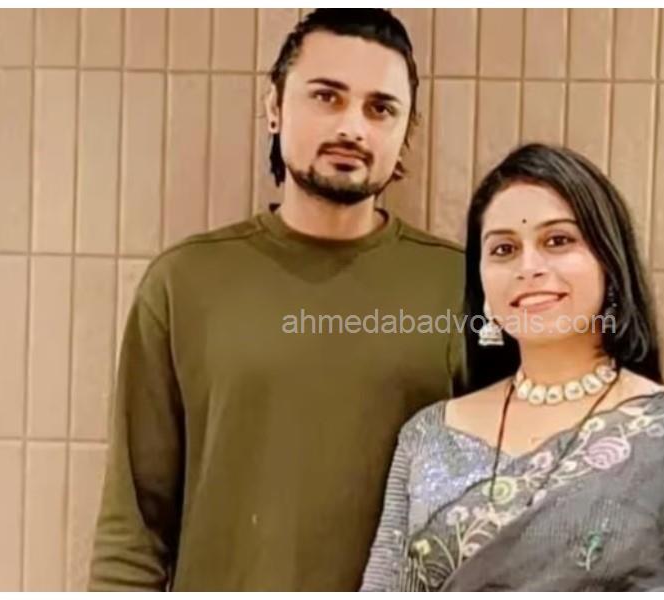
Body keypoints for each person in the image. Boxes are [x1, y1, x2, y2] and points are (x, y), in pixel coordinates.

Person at [89, 9, 465, 591]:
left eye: (380, 109)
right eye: (326, 97)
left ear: (405, 132)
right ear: (274, 106)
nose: (353, 128)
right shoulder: (185, 283)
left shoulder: (462, 288)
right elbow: (133, 528)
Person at [360, 143, 664, 591]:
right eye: (503, 249)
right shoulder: (429, 435)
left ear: (609, 263)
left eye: (558, 241)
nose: (529, 267)